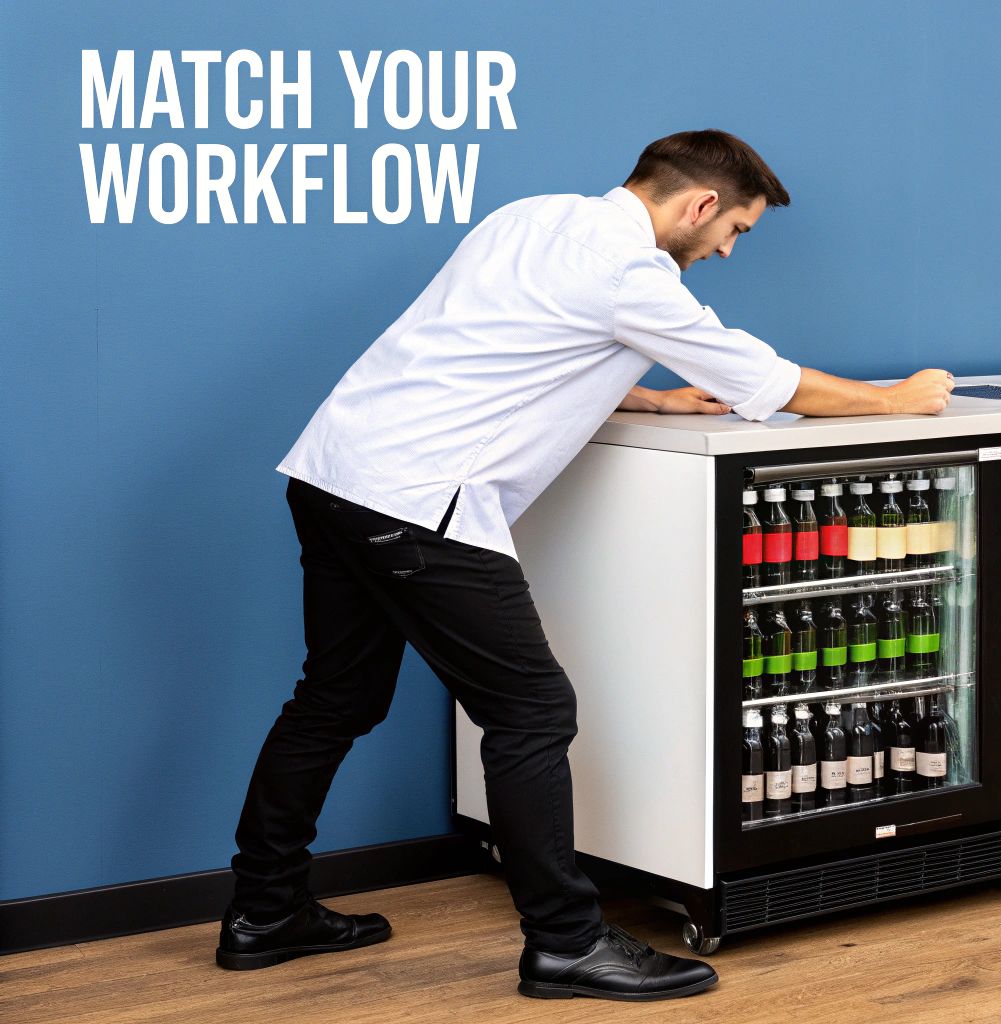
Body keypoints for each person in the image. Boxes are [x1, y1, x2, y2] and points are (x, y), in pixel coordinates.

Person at [218, 129, 954, 1000]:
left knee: (333, 697)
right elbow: (775, 384)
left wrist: (646, 395)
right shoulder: (632, 274)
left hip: (335, 473)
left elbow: (497, 342)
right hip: (417, 502)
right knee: (531, 710)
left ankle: (264, 911)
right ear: (702, 205)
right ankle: (566, 942)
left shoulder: (532, 217)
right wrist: (900, 399)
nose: (726, 249)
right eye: (737, 232)